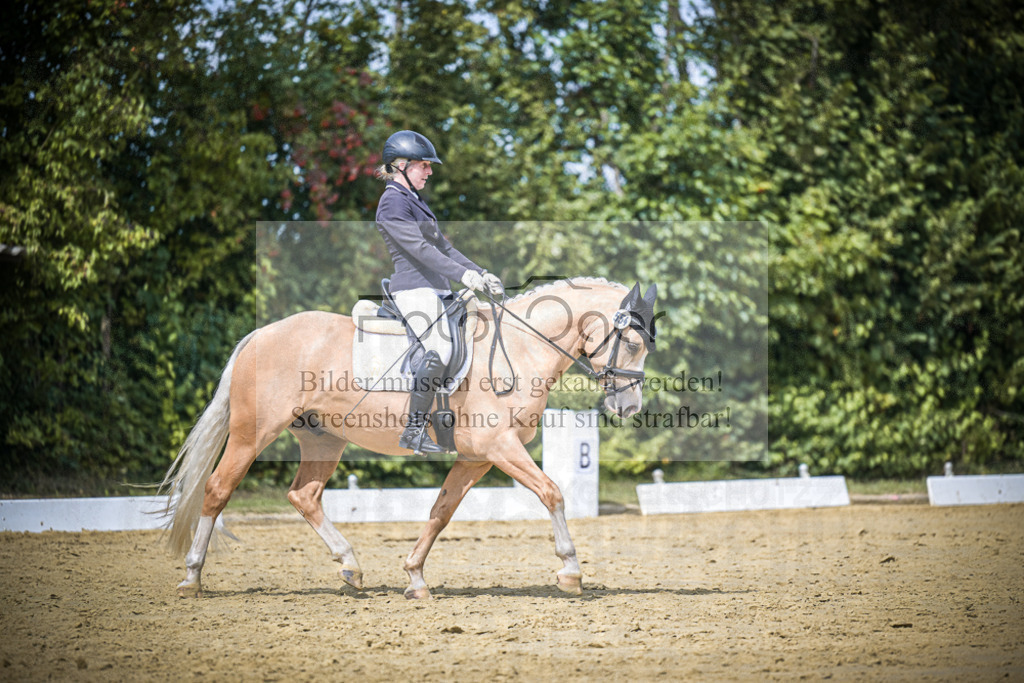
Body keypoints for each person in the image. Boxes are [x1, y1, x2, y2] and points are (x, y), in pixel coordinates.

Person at [375, 130, 503, 454]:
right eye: (424, 165)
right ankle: (414, 431)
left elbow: (444, 247)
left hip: (436, 289)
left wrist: (481, 273)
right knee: (440, 351)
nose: (429, 172)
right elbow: (419, 249)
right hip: (413, 289)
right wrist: (463, 276)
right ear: (401, 165)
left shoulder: (415, 201)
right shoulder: (391, 202)